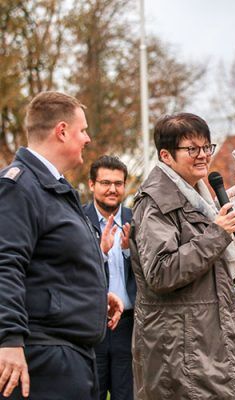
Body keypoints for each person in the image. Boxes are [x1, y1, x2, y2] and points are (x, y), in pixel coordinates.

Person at [0, 91, 123, 399]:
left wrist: (94, 296)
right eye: (82, 130)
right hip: (42, 358)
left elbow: (52, 262)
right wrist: (9, 340)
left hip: (70, 355)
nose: (88, 138)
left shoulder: (54, 188)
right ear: (62, 130)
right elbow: (6, 263)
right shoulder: (19, 187)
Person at [129, 112, 235, 399]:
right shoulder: (156, 202)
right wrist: (217, 234)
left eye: (206, 147)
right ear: (166, 156)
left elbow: (207, 267)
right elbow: (162, 272)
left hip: (205, 341)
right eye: (191, 149)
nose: (203, 156)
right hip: (179, 350)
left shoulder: (199, 197)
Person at [84, 155, 135, 400]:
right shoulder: (78, 220)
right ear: (92, 184)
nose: (112, 189)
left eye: (118, 183)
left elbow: (151, 272)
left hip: (130, 325)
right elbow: (74, 270)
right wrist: (100, 253)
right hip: (93, 325)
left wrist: (128, 250)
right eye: (105, 182)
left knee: (127, 395)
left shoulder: (137, 220)